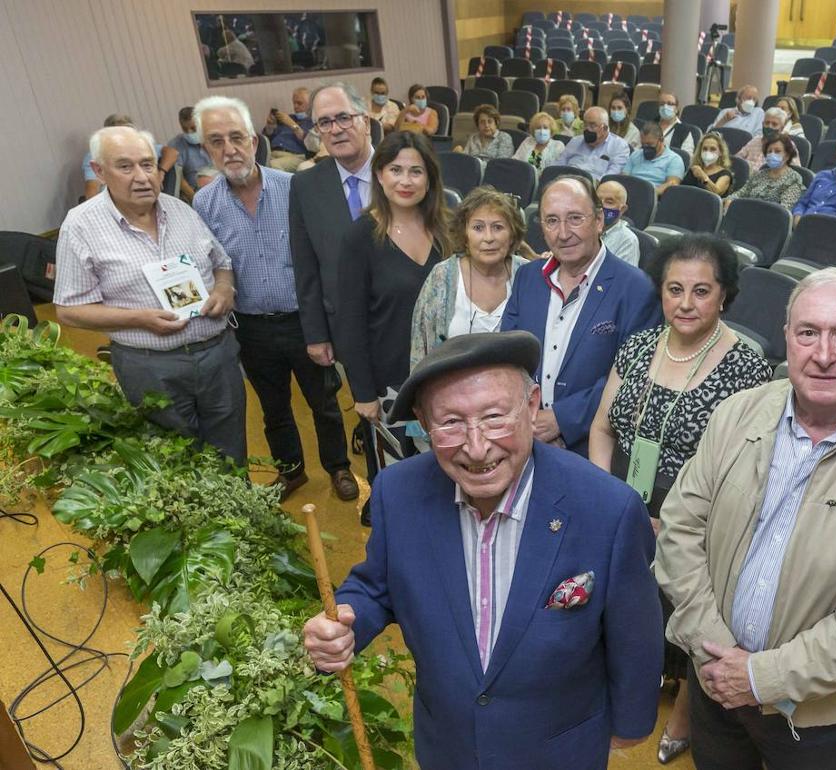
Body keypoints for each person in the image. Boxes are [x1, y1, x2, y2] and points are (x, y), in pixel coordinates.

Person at [302, 331, 665, 769]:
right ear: (422, 421)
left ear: (532, 407)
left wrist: (631, 723)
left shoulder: (606, 508)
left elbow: (635, 636)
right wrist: (345, 622)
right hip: (449, 746)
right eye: (451, 423)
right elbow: (378, 586)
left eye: (495, 417)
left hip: (558, 750)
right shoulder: (397, 493)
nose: (476, 448)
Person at [654, 266, 836, 770]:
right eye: (808, 332)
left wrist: (760, 677)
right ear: (787, 337)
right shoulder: (737, 413)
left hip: (818, 721)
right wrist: (719, 654)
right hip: (715, 684)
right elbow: (681, 531)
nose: (823, 354)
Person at [588, 235, 771, 764]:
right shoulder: (640, 345)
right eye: (674, 289)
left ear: (724, 296)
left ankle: (685, 715)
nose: (685, 303)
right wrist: (611, 498)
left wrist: (674, 522)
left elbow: (741, 473)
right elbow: (603, 427)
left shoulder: (747, 369)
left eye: (701, 290)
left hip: (695, 518)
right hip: (620, 496)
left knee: (693, 622)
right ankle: (622, 693)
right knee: (617, 609)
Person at [192, 95, 357, 501]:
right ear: (206, 150)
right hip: (251, 328)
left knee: (324, 403)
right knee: (274, 409)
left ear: (253, 139)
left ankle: (338, 467)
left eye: (236, 138)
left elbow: (322, 256)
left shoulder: (294, 188)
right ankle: (292, 471)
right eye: (217, 141)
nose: (229, 149)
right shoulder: (203, 204)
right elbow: (211, 264)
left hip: (306, 322)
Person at [54, 125, 245, 465]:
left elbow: (222, 263)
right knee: (175, 461)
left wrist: (223, 288)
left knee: (231, 453)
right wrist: (138, 318)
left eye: (148, 164)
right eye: (125, 167)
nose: (142, 177)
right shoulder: (80, 226)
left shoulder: (181, 210)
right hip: (150, 366)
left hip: (217, 356)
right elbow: (69, 309)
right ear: (99, 171)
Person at [501, 176, 662, 456]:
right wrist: (526, 417)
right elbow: (507, 356)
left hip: (590, 449)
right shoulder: (527, 277)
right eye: (552, 221)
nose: (563, 233)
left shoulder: (637, 289)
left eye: (575, 218)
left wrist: (562, 420)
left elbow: (636, 378)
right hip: (521, 435)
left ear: (599, 220)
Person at [336, 131, 449, 513]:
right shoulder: (360, 237)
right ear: (380, 175)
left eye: (416, 171)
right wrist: (362, 392)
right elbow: (349, 321)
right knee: (400, 486)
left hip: (444, 381)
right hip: (389, 389)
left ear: (430, 178)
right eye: (396, 170)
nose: (406, 180)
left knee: (446, 480)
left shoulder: (445, 231)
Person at [290, 82, 374, 375]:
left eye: (343, 117)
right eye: (324, 122)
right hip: (346, 329)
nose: (335, 129)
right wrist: (315, 334)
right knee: (368, 411)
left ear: (365, 120)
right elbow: (305, 266)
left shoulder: (401, 171)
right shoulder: (305, 186)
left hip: (409, 322)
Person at [409, 186, 528, 372]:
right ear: (465, 235)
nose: (488, 238)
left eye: (498, 227)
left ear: (512, 235)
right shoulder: (441, 276)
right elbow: (420, 349)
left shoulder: (528, 274)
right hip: (450, 393)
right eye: (478, 228)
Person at [83, 114, 178, 199]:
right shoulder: (96, 155)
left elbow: (172, 153)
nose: (141, 177)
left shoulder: (143, 147)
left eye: (146, 165)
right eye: (124, 166)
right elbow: (92, 189)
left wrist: (161, 173)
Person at [725, 134, 808, 211]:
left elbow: (784, 209)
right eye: (769, 151)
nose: (772, 154)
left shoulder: (794, 179)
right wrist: (730, 200)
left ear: (787, 155)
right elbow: (741, 193)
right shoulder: (759, 174)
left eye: (777, 151)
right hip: (744, 214)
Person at [556, 106, 631, 180]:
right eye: (585, 124)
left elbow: (610, 177)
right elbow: (557, 165)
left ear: (604, 128)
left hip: (595, 188)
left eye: (592, 125)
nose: (587, 129)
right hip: (566, 183)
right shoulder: (575, 141)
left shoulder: (619, 146)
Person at [624, 122, 686, 196]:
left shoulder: (674, 160)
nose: (646, 147)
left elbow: (672, 186)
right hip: (629, 193)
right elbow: (624, 178)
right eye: (643, 144)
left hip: (653, 197)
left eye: (650, 144)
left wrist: (648, 194)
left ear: (661, 140)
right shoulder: (636, 154)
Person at [264, 86, 316, 172]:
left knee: (273, 165)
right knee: (255, 165)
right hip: (273, 153)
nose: (295, 106)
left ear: (310, 104)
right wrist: (270, 126)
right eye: (294, 103)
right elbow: (267, 138)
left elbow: (310, 143)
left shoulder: (313, 121)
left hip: (296, 156)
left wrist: (292, 124)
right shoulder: (290, 117)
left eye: (299, 103)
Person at [168, 106, 213, 199]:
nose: (189, 132)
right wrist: (195, 198)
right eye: (185, 129)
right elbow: (178, 177)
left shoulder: (215, 138)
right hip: (198, 192)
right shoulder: (176, 145)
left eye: (194, 128)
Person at [736, 108, 795, 173]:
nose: (769, 126)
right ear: (762, 124)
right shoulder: (755, 140)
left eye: (774, 124)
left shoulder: (787, 145)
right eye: (767, 123)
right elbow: (738, 159)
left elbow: (794, 170)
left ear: (782, 128)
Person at [597, 180, 641, 267]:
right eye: (597, 200)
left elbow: (624, 278)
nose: (600, 206)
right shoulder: (582, 228)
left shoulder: (628, 240)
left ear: (622, 209)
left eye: (609, 202)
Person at [683, 132, 734, 198]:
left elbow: (716, 193)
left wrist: (703, 176)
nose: (708, 152)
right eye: (705, 149)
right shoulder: (695, 169)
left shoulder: (725, 174)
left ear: (721, 152)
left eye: (713, 149)